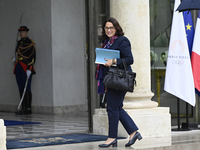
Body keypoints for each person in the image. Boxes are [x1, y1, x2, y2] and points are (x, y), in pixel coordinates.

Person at [98, 18, 142, 148]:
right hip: (111, 80)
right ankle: (133, 132)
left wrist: (113, 61)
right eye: (106, 28)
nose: (109, 30)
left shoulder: (122, 40)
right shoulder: (107, 43)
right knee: (116, 107)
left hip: (119, 80)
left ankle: (112, 138)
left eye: (111, 27)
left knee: (112, 108)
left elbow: (129, 59)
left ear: (116, 28)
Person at [14, 26, 36, 115]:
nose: (21, 33)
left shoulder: (30, 43)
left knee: (27, 87)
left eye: (23, 32)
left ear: (26, 33)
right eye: (20, 32)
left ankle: (28, 108)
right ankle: (23, 107)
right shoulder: (19, 43)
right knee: (20, 87)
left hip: (25, 67)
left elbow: (33, 56)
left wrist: (29, 68)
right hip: (18, 66)